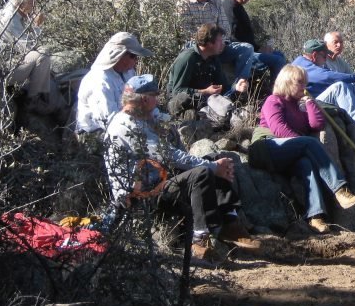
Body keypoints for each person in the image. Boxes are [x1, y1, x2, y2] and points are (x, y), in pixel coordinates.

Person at [104, 74, 256, 267]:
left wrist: (213, 164)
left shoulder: (141, 118)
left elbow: (173, 150)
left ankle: (228, 221)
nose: (157, 100)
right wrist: (212, 167)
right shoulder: (126, 126)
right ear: (144, 99)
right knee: (202, 172)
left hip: (158, 181)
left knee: (212, 161)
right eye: (154, 96)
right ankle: (199, 240)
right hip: (141, 195)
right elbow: (170, 156)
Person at [250, 65, 355, 234]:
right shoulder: (274, 101)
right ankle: (340, 189)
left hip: (289, 153)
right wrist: (303, 143)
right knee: (309, 143)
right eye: (300, 82)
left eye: (306, 83)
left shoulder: (298, 105)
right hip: (266, 147)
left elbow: (316, 124)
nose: (304, 87)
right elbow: (278, 129)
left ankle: (315, 217)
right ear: (287, 82)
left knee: (306, 164)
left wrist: (310, 103)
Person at [0, 0, 59, 113]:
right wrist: (37, 25)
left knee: (42, 57)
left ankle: (37, 94)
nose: (34, 4)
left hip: (1, 65)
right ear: (21, 3)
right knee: (42, 55)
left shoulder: (11, 15)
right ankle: (33, 101)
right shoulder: (9, 19)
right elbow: (29, 46)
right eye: (31, 0)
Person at [176, 0, 255, 87]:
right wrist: (208, 44)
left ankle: (239, 86)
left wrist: (221, 42)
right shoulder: (184, 4)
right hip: (198, 49)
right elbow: (185, 31)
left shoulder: (216, 3)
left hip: (218, 46)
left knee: (247, 48)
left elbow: (225, 28)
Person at [75, 31, 154, 139]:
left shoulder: (128, 73)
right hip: (96, 134)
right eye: (133, 56)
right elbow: (109, 121)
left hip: (127, 124)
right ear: (119, 54)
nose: (136, 60)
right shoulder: (99, 81)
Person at [292, 38, 355, 129]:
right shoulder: (301, 65)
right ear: (314, 55)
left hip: (316, 101)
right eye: (324, 56)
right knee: (339, 87)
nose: (327, 58)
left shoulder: (310, 63)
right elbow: (327, 77)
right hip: (305, 106)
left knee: (351, 86)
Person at [167, 23, 248, 109]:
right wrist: (205, 91)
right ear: (210, 43)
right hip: (182, 104)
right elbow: (177, 91)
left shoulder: (213, 58)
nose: (222, 44)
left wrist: (236, 87)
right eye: (220, 41)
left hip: (203, 100)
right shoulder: (187, 58)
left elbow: (222, 85)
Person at [222, 0, 287, 79]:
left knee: (279, 55)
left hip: (250, 49)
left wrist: (258, 47)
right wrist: (258, 49)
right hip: (241, 54)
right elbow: (232, 36)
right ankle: (276, 93)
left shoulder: (238, 6)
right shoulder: (230, 6)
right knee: (278, 60)